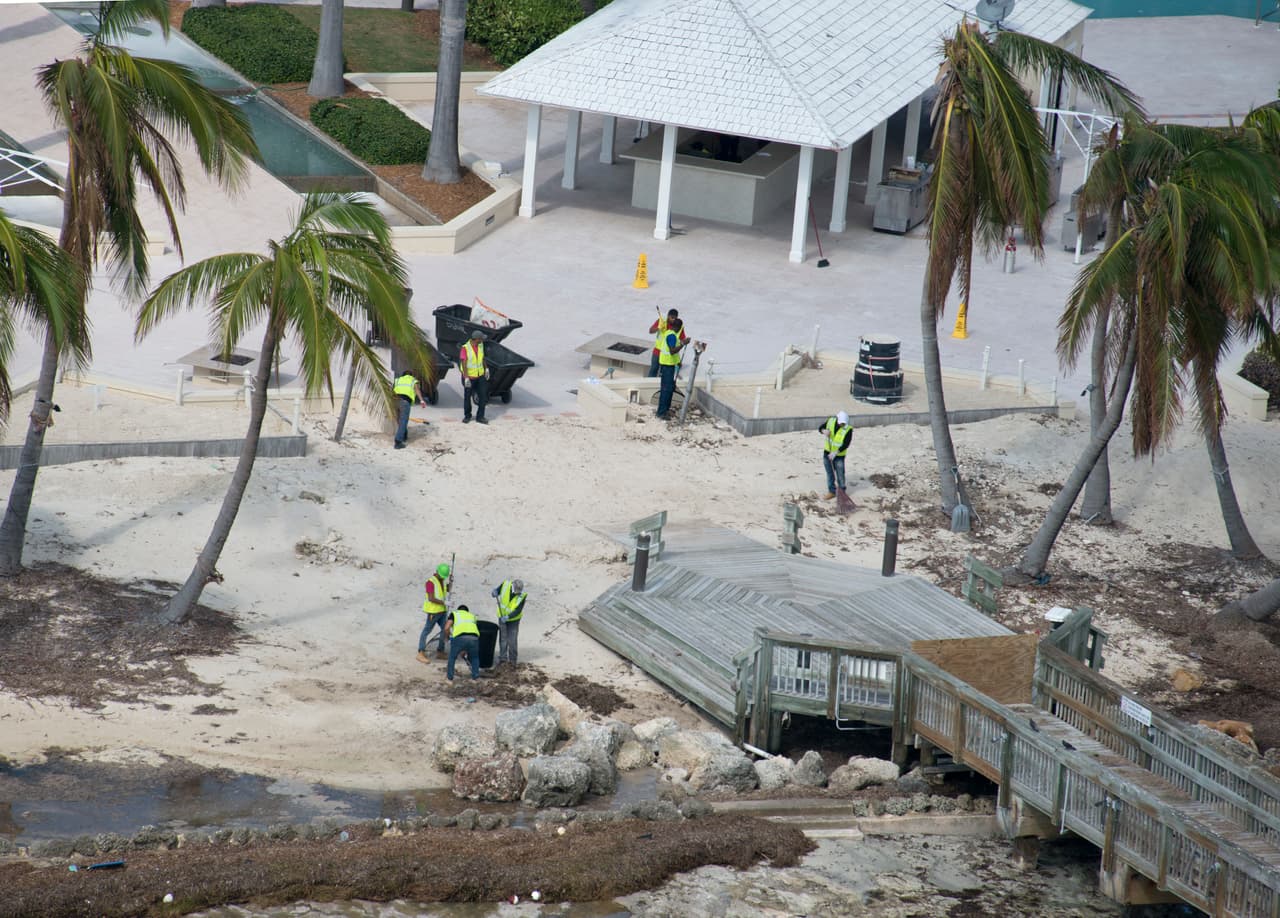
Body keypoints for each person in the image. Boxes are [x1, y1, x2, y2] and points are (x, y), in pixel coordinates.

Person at [418, 562, 451, 663]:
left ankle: (440, 651)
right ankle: (420, 652)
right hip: (433, 612)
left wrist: (450, 585)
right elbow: (431, 598)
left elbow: (445, 591)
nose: (443, 578)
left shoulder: (442, 580)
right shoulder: (430, 582)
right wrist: (444, 602)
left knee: (444, 630)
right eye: (442, 576)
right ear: (437, 572)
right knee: (426, 631)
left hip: (442, 611)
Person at [490, 578, 527, 666]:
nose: (517, 593)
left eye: (519, 591)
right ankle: (503, 659)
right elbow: (497, 591)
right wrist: (494, 592)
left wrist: (508, 617)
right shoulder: (505, 585)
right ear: (512, 586)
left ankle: (513, 661)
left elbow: (518, 610)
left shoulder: (522, 596)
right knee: (503, 639)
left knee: (512, 640)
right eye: (516, 590)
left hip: (514, 620)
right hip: (502, 617)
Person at [655, 317, 686, 419]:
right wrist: (682, 343)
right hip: (667, 366)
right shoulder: (672, 336)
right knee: (666, 389)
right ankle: (661, 412)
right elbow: (672, 351)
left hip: (669, 364)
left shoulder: (668, 333)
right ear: (678, 327)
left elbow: (673, 354)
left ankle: (665, 410)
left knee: (669, 388)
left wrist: (678, 362)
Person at [820, 411, 853, 499]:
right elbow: (820, 428)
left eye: (843, 423)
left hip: (839, 456)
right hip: (827, 453)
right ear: (837, 419)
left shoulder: (848, 429)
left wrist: (835, 452)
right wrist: (824, 431)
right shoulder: (830, 421)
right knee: (830, 473)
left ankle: (842, 492)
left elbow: (846, 443)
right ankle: (832, 491)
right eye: (841, 423)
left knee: (840, 474)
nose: (842, 425)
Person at [459, 330, 489, 425]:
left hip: (480, 376)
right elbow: (464, 362)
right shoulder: (465, 348)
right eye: (481, 339)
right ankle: (467, 416)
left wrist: (486, 368)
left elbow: (482, 357)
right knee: (467, 397)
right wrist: (466, 377)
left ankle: (480, 417)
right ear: (477, 339)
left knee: (483, 396)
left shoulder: (480, 345)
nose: (482, 340)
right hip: (470, 377)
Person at [444, 603, 481, 681]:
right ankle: (476, 677)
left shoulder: (455, 614)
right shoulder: (472, 616)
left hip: (460, 638)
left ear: (459, 610)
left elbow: (446, 628)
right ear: (467, 611)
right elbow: (471, 630)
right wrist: (465, 649)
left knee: (452, 657)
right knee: (475, 657)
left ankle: (449, 678)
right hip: (474, 638)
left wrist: (447, 638)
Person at [647, 308, 688, 377]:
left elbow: (682, 339)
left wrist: (683, 343)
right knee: (653, 370)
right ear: (668, 316)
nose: (673, 320)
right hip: (657, 352)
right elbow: (650, 331)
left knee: (664, 374)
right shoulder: (661, 322)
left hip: (668, 356)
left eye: (675, 318)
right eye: (671, 317)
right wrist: (659, 328)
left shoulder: (679, 326)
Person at [392, 370, 427, 450]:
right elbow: (417, 389)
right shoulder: (413, 380)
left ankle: (404, 435)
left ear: (403, 375)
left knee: (400, 419)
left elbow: (392, 390)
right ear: (411, 375)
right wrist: (421, 400)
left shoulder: (398, 380)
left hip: (394, 400)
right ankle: (398, 442)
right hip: (404, 402)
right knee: (404, 420)